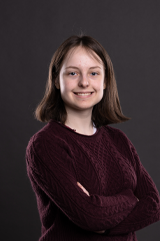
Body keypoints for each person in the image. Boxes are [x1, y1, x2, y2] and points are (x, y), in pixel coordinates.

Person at [25, 34, 160, 241]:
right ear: (56, 80)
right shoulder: (45, 145)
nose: (84, 82)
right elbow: (89, 216)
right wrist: (130, 198)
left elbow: (153, 204)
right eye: (72, 73)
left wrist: (105, 223)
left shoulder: (119, 140)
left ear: (105, 81)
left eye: (94, 73)